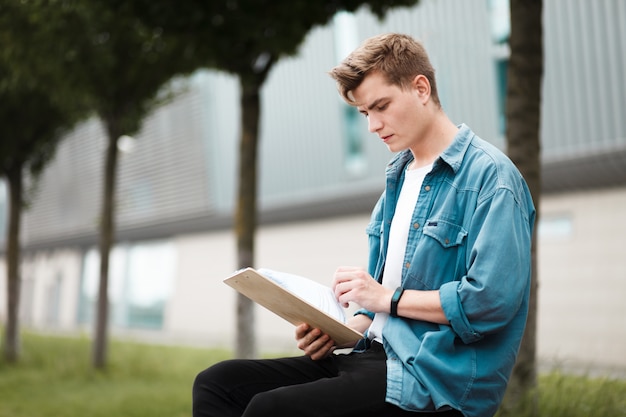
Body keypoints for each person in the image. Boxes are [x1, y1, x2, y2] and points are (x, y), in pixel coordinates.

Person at [192, 33, 535, 417]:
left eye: (381, 106)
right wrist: (339, 330)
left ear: (420, 87)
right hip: (371, 357)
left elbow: (490, 303)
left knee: (271, 408)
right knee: (218, 383)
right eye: (363, 113)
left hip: (432, 378)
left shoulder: (492, 179)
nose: (372, 125)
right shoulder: (397, 182)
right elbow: (374, 310)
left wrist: (383, 298)